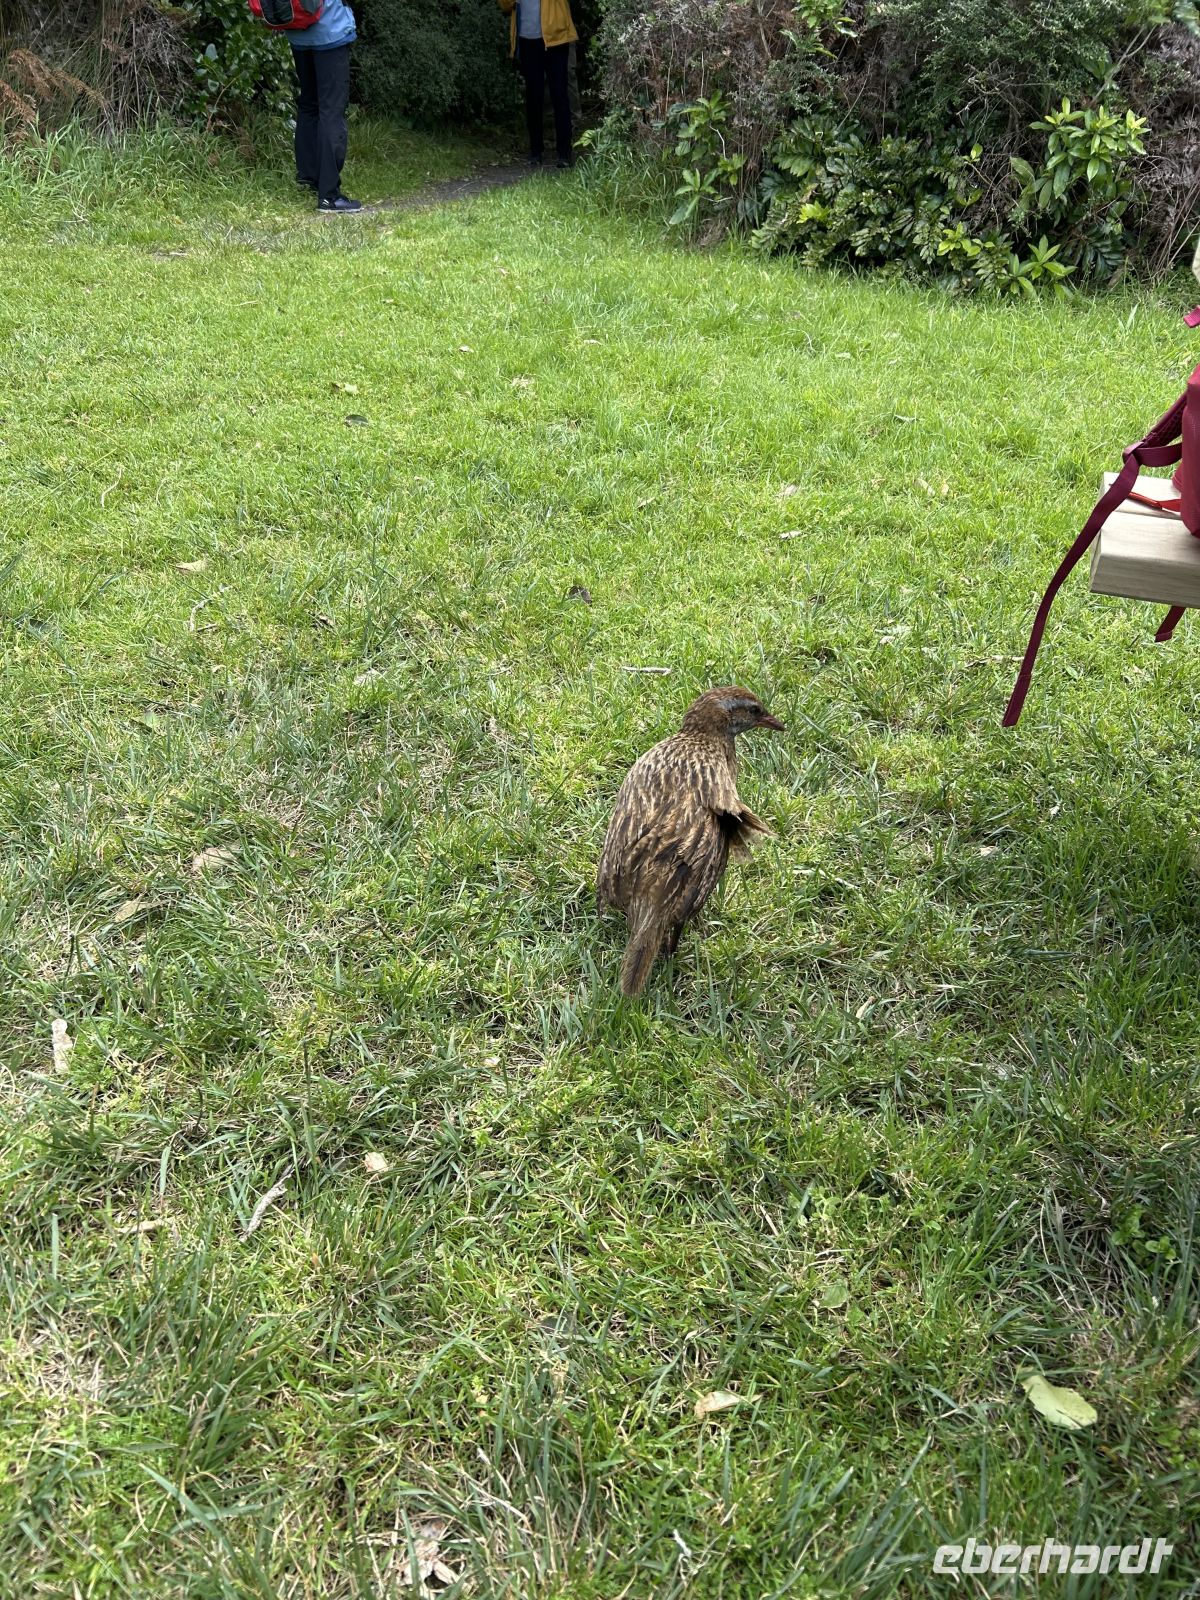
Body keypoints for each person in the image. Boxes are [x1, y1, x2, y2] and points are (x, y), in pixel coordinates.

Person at [290, 0, 361, 213]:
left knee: (309, 104)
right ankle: (329, 196)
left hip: (298, 32)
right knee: (331, 110)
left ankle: (308, 177)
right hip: (330, 31)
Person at [497, 0, 578, 169]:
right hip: (527, 39)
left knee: (559, 94)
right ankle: (535, 151)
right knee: (534, 95)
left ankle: (564, 153)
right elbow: (505, 5)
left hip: (556, 37)